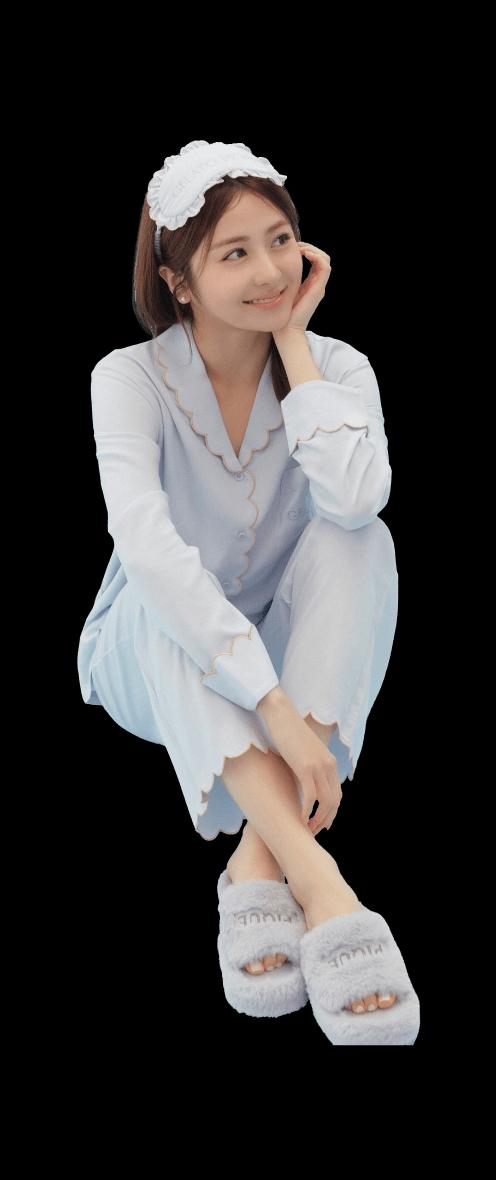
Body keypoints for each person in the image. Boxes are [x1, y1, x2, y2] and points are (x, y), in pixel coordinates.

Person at [77, 141, 403, 1027]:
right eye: (235, 253)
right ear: (177, 281)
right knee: (159, 591)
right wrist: (274, 705)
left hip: (287, 642)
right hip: (150, 655)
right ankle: (323, 883)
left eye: (282, 240)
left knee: (362, 540)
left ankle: (259, 862)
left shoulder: (339, 367)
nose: (270, 270)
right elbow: (146, 547)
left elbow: (357, 498)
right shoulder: (127, 378)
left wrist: (294, 342)